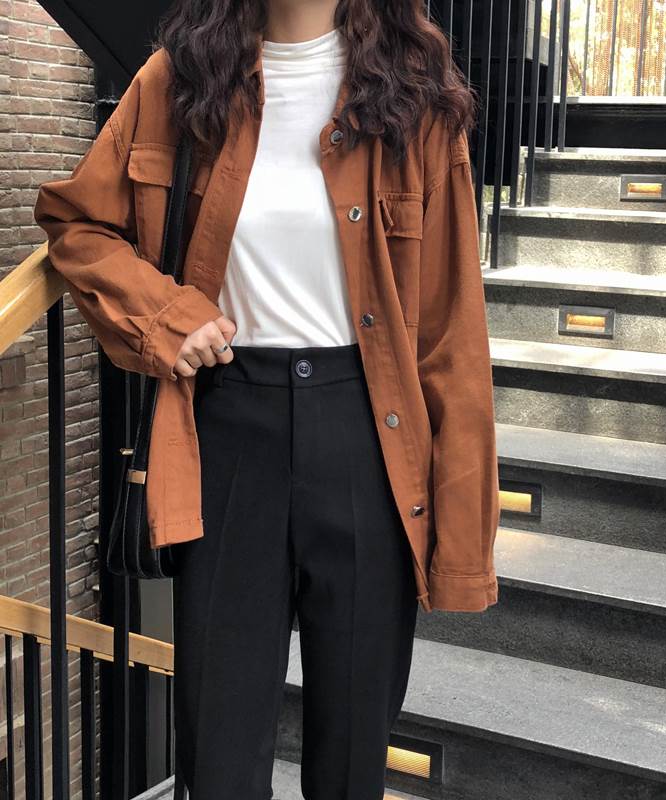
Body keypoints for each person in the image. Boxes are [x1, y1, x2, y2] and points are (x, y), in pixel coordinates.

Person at [33, 0, 500, 797]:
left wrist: (461, 538)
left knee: (352, 753)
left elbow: (450, 332)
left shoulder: (414, 93)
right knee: (218, 750)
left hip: (369, 439)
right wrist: (167, 317)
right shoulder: (182, 78)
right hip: (228, 428)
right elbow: (78, 223)